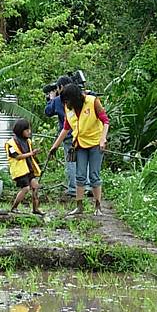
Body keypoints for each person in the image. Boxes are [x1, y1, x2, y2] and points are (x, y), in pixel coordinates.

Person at [50, 83, 109, 216]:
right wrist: (54, 146)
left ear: (76, 98)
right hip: (80, 144)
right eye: (65, 101)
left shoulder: (92, 101)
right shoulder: (68, 107)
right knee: (80, 175)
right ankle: (79, 206)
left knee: (94, 176)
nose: (66, 103)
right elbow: (66, 128)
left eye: (68, 100)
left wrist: (102, 139)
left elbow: (105, 121)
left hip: (95, 143)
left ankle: (98, 206)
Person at [45, 76, 77, 197]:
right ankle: (88, 186)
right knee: (84, 161)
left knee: (71, 161)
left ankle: (73, 188)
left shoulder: (59, 100)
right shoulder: (78, 96)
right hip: (81, 133)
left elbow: (48, 111)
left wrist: (50, 99)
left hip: (67, 135)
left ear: (61, 87)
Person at [5, 118, 44, 215]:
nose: (29, 132)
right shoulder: (10, 144)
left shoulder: (28, 141)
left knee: (35, 186)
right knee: (26, 188)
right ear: (20, 131)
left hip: (29, 168)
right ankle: (14, 207)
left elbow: (30, 154)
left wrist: (34, 154)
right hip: (19, 170)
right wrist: (31, 153)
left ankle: (36, 209)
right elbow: (17, 157)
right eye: (27, 130)